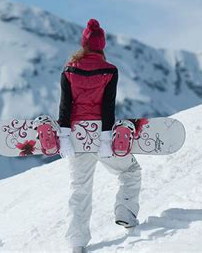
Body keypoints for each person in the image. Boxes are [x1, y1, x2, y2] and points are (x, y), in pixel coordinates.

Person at [57, 19, 142, 253]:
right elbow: (107, 107)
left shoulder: (69, 69)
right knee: (130, 170)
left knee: (79, 189)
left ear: (84, 43)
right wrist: (106, 139)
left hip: (75, 135)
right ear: (101, 46)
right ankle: (125, 212)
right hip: (100, 134)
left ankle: (77, 243)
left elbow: (65, 106)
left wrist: (64, 136)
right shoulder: (110, 70)